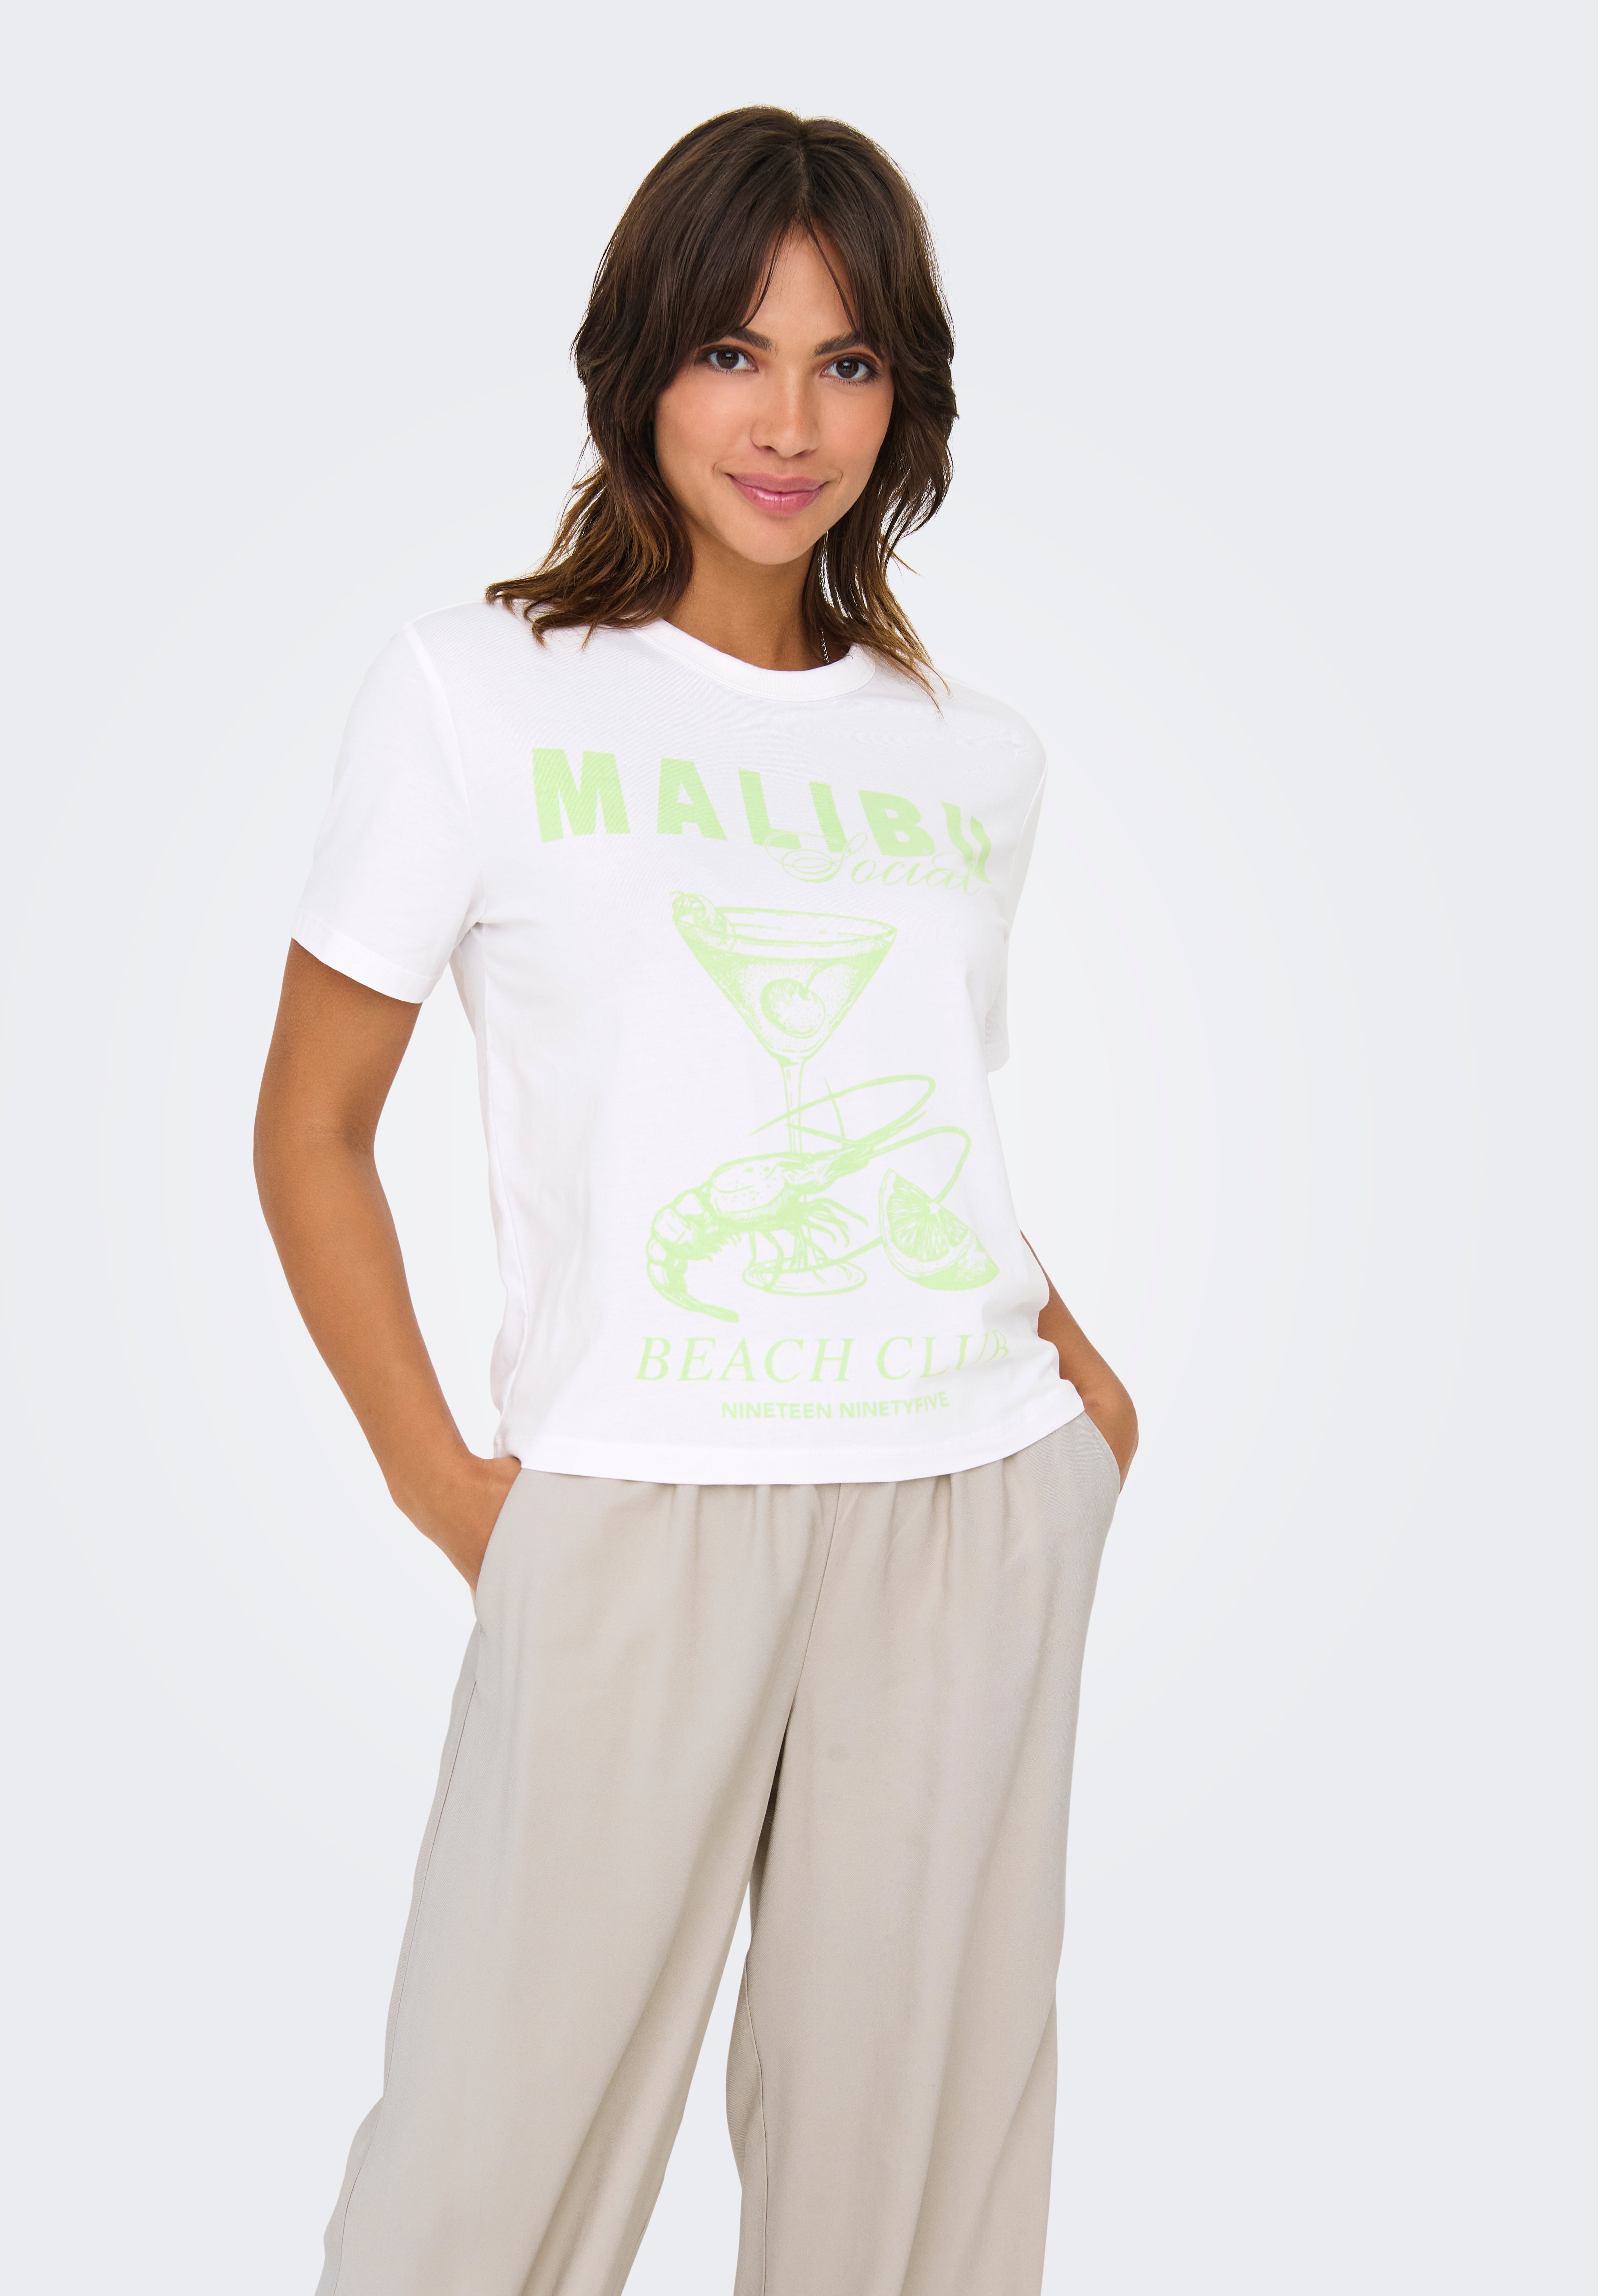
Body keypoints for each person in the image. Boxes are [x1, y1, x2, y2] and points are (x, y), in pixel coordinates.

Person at [256, 104, 1138, 2296]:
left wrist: (1082, 1406)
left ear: (904, 403)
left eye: (847, 365)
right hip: (636, 1494)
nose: (788, 422)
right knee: (487, 2163)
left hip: (963, 1494)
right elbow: (310, 1126)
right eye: (734, 352)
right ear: (640, 364)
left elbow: (907, 1114)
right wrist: (451, 1492)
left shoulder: (970, 753)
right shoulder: (476, 691)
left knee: (909, 2176)